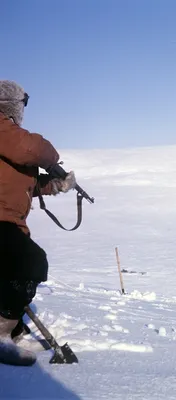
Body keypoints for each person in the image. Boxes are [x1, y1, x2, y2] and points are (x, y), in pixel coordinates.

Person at [0, 80, 76, 366]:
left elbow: (25, 182)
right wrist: (52, 158)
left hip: (8, 221)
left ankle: (9, 325)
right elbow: (31, 149)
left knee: (14, 267)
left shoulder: (7, 139)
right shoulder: (5, 131)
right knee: (31, 261)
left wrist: (56, 184)